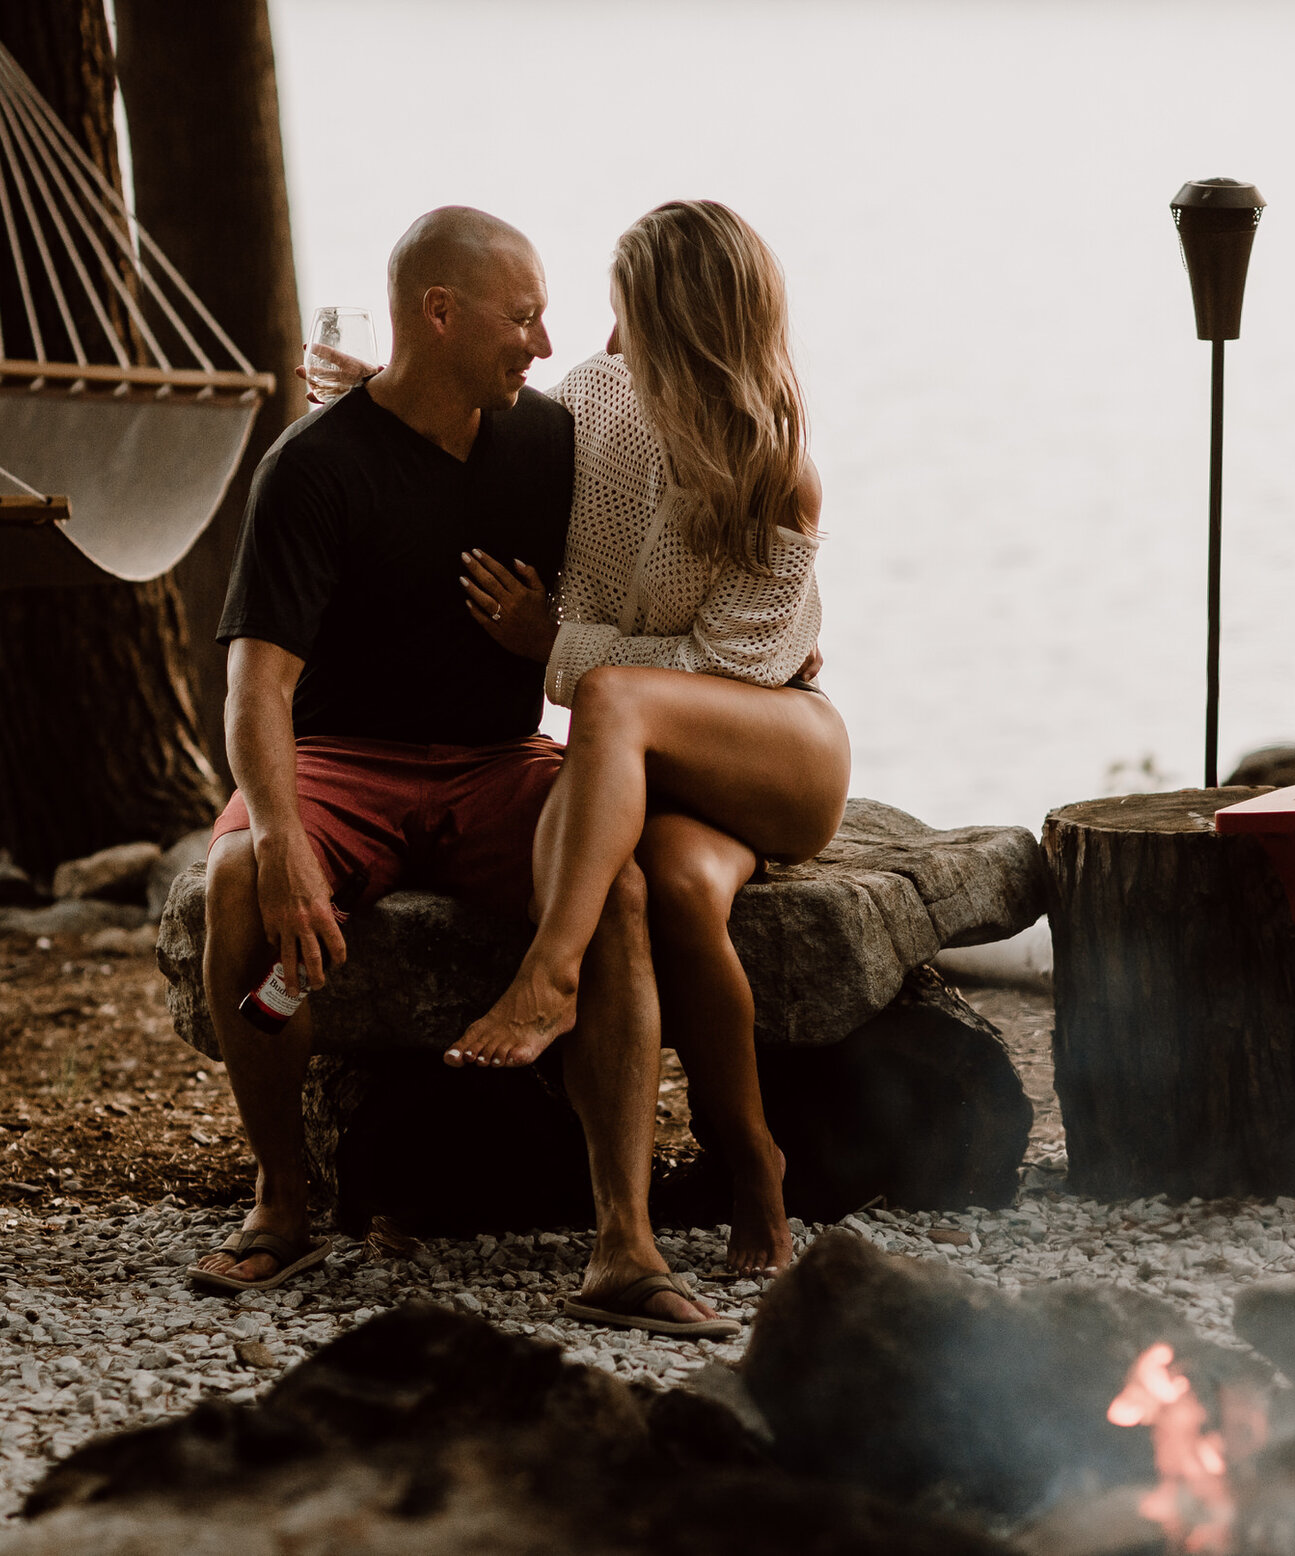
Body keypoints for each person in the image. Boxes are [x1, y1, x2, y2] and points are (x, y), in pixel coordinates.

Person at [189, 205, 734, 1339]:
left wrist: (765, 634)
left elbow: (682, 504)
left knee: (616, 889)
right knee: (239, 881)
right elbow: (257, 690)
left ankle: (624, 1244)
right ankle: (282, 1205)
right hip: (341, 760)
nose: (543, 342)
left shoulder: (553, 439)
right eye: (522, 315)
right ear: (437, 313)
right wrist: (285, 837)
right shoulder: (313, 467)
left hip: (500, 762)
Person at [440, 201, 851, 1278]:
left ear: (676, 327)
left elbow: (734, 669)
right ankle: (754, 1164)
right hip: (651, 768)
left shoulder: (774, 470)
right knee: (671, 885)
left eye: (626, 312)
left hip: (779, 752)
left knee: (614, 701)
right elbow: (473, 451)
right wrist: (350, 402)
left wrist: (556, 647)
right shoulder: (587, 405)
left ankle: (548, 973)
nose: (604, 335)